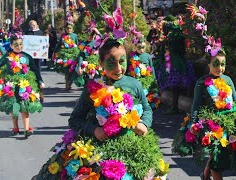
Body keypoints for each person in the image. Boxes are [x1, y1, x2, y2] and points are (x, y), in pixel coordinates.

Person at [33, 37, 169, 179]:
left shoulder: (135, 85)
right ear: (101, 63)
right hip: (98, 150)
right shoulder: (93, 87)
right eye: (111, 62)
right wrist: (94, 130)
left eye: (122, 61)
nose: (118, 68)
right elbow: (75, 119)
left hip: (132, 145)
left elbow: (147, 109)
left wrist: (144, 124)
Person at [172, 5, 236, 180]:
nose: (220, 68)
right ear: (208, 64)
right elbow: (196, 105)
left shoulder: (228, 80)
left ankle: (205, 174)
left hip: (231, 122)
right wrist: (194, 124)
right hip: (213, 125)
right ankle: (210, 173)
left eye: (223, 64)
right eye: (216, 64)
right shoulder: (202, 83)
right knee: (217, 159)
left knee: (221, 158)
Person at [0, 34, 45, 139]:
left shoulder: (27, 56)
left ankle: (26, 129)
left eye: (21, 44)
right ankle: (15, 128)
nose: (19, 46)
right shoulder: (7, 56)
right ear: (11, 46)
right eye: (16, 44)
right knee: (14, 107)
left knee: (25, 106)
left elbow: (35, 69)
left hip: (24, 83)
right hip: (10, 84)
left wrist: (40, 80)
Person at [155, 15, 195, 114]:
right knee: (175, 85)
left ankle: (174, 107)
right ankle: (174, 106)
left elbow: (172, 47)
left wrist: (163, 43)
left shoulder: (172, 35)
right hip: (179, 60)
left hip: (173, 62)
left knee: (174, 84)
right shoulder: (179, 33)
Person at [127, 38, 161, 110]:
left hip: (146, 79)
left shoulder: (147, 56)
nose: (141, 49)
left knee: (147, 95)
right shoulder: (132, 56)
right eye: (139, 47)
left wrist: (154, 79)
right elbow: (128, 68)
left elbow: (151, 67)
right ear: (136, 46)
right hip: (135, 79)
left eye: (143, 47)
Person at [51, 23, 79, 90]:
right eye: (67, 28)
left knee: (72, 69)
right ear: (65, 29)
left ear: (72, 29)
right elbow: (59, 44)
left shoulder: (74, 36)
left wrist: (78, 52)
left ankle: (70, 82)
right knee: (67, 69)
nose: (69, 30)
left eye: (70, 28)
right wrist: (55, 52)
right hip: (64, 54)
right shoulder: (63, 35)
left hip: (73, 54)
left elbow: (77, 44)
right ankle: (67, 84)